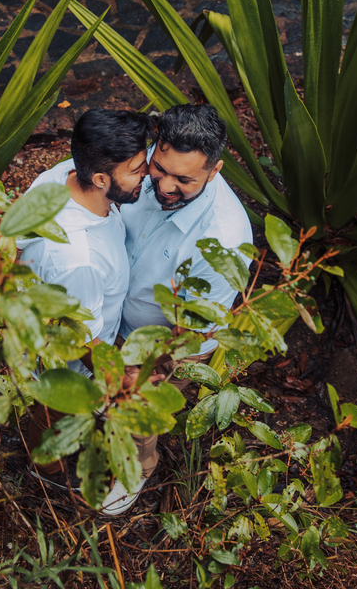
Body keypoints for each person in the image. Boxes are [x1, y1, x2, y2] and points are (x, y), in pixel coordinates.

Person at [113, 103, 255, 510]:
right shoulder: (140, 169)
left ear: (215, 170)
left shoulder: (222, 242)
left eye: (185, 180)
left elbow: (194, 331)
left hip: (165, 342)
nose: (166, 186)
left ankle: (138, 470)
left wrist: (146, 375)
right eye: (161, 169)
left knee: (140, 414)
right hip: (115, 318)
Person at [17, 108, 150, 512]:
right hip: (65, 372)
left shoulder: (62, 176)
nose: (146, 175)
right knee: (50, 422)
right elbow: (77, 339)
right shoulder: (80, 259)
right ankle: (49, 475)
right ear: (101, 179)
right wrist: (119, 378)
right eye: (136, 170)